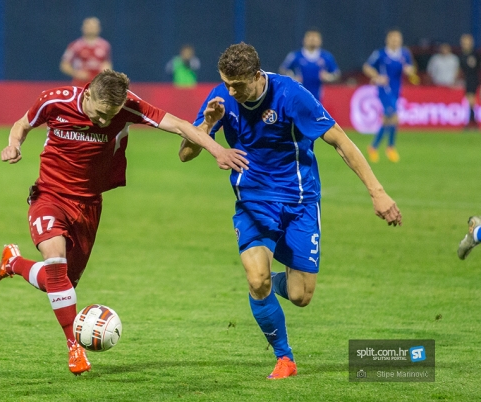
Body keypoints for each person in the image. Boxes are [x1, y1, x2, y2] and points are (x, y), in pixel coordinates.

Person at [0, 70, 248, 376]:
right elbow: (22, 124)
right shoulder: (54, 101)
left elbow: (179, 125)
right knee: (55, 263)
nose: (103, 122)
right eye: (99, 114)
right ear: (87, 95)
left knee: (61, 283)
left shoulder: (129, 107)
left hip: (88, 205)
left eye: (110, 116)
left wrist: (218, 150)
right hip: (49, 195)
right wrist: (14, 144)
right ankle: (74, 348)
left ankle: (13, 263)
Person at [179, 43, 402, 380]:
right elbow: (185, 154)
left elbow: (341, 141)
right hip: (254, 202)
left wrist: (378, 192)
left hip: (299, 201)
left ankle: (265, 287)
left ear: (257, 75)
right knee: (257, 279)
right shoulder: (220, 98)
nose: (231, 91)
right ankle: (284, 357)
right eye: (226, 83)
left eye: (237, 85)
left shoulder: (291, 95)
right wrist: (207, 125)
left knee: (301, 295)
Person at [363, 29, 418, 163]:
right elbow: (367, 67)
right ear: (387, 39)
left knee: (388, 120)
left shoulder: (404, 54)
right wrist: (377, 76)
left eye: (397, 38)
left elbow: (412, 69)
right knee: (394, 117)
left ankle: (373, 147)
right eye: (392, 38)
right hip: (384, 90)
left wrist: (410, 71)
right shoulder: (380, 54)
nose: (395, 41)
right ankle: (390, 147)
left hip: (396, 91)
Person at [278, 28, 340, 101]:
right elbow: (283, 69)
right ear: (304, 40)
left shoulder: (326, 57)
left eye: (315, 37)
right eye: (310, 37)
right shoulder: (295, 56)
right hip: (299, 96)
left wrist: (328, 77)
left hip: (318, 97)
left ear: (320, 41)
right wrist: (292, 77)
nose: (312, 39)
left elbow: (336, 74)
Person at [60, 17, 112, 87]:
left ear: (99, 28)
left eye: (93, 27)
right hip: (80, 84)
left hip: (98, 84)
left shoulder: (105, 45)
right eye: (89, 26)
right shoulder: (75, 46)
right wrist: (77, 73)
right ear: (83, 28)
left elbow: (107, 63)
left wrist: (105, 73)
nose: (91, 29)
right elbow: (64, 65)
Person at [459, 34, 480, 129]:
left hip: (473, 79)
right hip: (466, 80)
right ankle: (471, 121)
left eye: (467, 42)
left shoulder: (475, 55)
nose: (465, 44)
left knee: (472, 100)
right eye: (464, 42)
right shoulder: (462, 55)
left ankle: (473, 121)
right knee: (468, 101)